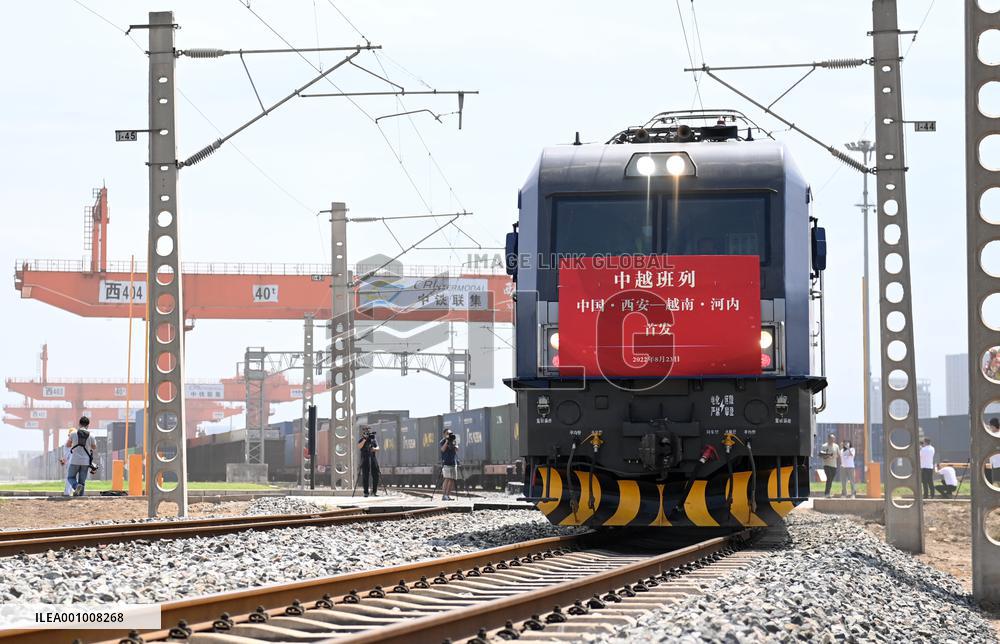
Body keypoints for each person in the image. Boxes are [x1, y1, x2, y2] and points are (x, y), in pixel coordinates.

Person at [60, 416, 97, 497]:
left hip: (74, 460)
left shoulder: (73, 434)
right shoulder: (92, 435)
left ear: (79, 424)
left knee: (70, 477)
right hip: (85, 461)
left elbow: (68, 445)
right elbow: (94, 447)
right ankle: (80, 497)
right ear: (88, 425)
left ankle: (76, 486)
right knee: (82, 481)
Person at [357, 425, 380, 497]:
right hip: (365, 458)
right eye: (366, 431)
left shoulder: (373, 439)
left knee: (376, 474)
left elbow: (378, 447)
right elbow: (359, 446)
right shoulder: (361, 439)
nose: (367, 432)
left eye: (368, 430)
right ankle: (366, 492)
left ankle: (374, 492)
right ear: (363, 432)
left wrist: (374, 449)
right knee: (365, 475)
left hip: (373, 458)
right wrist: (364, 439)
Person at [818, 433, 841, 498]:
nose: (832, 440)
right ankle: (827, 493)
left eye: (833, 439)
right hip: (827, 465)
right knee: (829, 478)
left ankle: (827, 493)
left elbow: (838, 455)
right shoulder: (824, 446)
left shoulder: (836, 446)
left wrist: (834, 456)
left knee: (830, 480)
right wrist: (827, 455)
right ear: (828, 439)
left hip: (834, 465)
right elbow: (821, 455)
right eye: (831, 438)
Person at [440, 428, 459, 501]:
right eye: (448, 433)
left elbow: (457, 449)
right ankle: (444, 495)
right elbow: (442, 449)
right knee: (447, 478)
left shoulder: (453, 441)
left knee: (451, 479)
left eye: (450, 433)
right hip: (446, 463)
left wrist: (453, 444)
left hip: (453, 462)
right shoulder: (443, 441)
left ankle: (448, 495)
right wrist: (447, 441)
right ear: (444, 434)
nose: (449, 434)